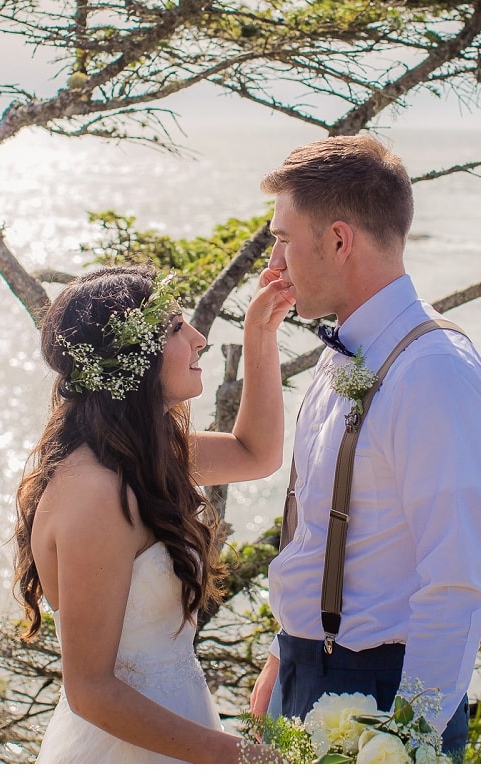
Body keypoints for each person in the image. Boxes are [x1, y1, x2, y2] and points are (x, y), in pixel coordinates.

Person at [246, 136, 481, 757]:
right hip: (303, 675)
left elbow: (458, 580)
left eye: (283, 238)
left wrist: (408, 741)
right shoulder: (344, 352)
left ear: (338, 241)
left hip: (384, 699)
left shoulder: (432, 372)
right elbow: (316, 533)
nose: (273, 264)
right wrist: (282, 666)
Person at [15, 263, 295, 763]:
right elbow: (91, 690)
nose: (199, 338)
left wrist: (261, 333)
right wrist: (247, 758)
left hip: (177, 723)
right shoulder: (95, 494)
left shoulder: (141, 457)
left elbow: (256, 454)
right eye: (175, 329)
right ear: (131, 358)